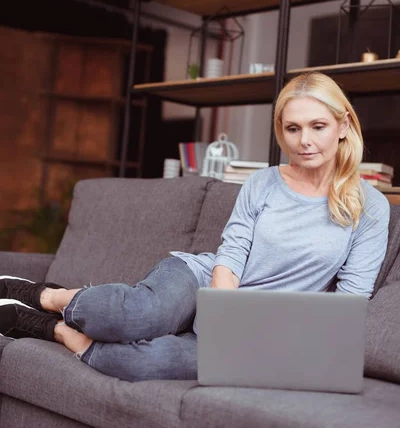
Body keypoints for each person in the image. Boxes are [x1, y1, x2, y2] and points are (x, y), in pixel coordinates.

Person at [0, 72, 390, 383]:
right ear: (281, 131)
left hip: (260, 332)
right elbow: (232, 253)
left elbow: (350, 300)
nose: (304, 141)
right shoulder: (262, 183)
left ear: (343, 125)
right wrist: (223, 316)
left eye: (318, 126)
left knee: (141, 364)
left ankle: (46, 327)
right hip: (205, 281)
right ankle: (48, 297)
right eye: (292, 128)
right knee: (135, 316)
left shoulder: (369, 206)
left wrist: (256, 336)